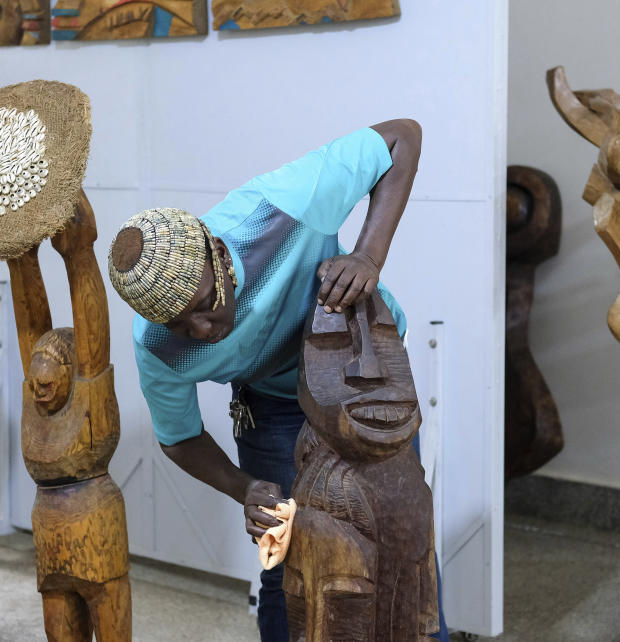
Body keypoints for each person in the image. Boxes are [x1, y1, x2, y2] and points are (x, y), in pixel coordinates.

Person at [107, 119, 447, 641]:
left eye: (203, 306)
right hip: (272, 407)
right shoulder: (157, 345)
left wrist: (368, 255)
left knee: (406, 548)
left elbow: (402, 137)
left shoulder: (281, 208)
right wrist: (244, 490)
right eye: (180, 323)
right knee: (289, 560)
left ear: (219, 254)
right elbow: (179, 438)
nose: (202, 331)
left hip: (364, 379)